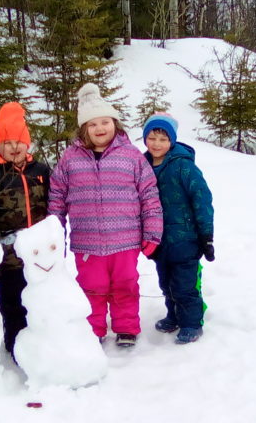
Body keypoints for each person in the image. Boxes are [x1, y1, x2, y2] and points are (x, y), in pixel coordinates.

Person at [48, 83, 163, 348]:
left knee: (125, 285)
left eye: (105, 122)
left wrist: (152, 232)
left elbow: (149, 195)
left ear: (115, 123)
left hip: (126, 240)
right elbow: (57, 196)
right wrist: (55, 230)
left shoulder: (132, 156)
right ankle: (93, 330)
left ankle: (126, 328)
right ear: (83, 129)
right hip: (87, 242)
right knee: (91, 287)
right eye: (93, 124)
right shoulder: (69, 159)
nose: (100, 129)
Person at [0, 102, 50, 358]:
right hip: (8, 259)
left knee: (41, 302)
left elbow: (54, 206)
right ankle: (16, 344)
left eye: (18, 140)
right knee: (12, 304)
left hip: (39, 256)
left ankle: (42, 342)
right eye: (7, 142)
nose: (14, 147)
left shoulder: (40, 171)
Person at [142, 113, 214, 344]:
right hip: (158, 241)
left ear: (172, 141)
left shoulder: (183, 166)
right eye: (152, 138)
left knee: (185, 286)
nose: (157, 144)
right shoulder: (142, 166)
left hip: (186, 239)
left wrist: (206, 235)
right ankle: (173, 315)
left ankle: (192, 322)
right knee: (167, 284)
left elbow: (201, 199)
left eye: (163, 139)